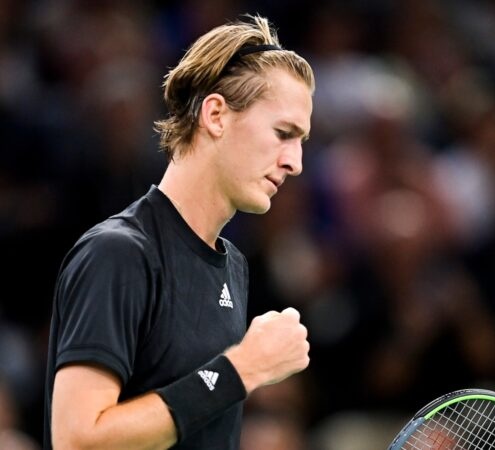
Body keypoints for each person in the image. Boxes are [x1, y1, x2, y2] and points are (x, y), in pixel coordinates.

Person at [44, 15, 314, 450]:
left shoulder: (234, 267)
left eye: (301, 142)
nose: (295, 162)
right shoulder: (118, 253)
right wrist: (242, 369)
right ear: (216, 115)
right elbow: (77, 437)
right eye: (283, 133)